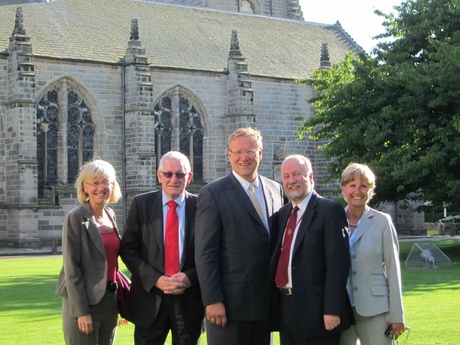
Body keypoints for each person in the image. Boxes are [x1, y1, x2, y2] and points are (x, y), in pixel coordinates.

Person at [194, 127, 285, 345]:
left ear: (260, 153)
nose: (244, 157)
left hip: (266, 305)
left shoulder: (276, 190)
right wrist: (213, 299)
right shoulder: (213, 194)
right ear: (229, 156)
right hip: (229, 307)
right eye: (237, 152)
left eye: (250, 151)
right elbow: (205, 253)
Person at [120, 151, 204, 345]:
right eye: (168, 174)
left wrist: (190, 277)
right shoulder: (141, 204)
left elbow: (212, 252)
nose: (173, 179)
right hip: (149, 300)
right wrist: (156, 279)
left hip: (189, 301)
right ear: (159, 176)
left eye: (180, 174)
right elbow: (129, 250)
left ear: (189, 177)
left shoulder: (202, 206)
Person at [270, 154, 353, 345]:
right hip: (286, 309)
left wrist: (332, 309)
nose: (291, 181)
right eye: (286, 176)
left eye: (297, 174)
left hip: (319, 313)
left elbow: (337, 266)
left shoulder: (329, 211)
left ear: (311, 176)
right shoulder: (282, 215)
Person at [56, 158, 123, 345]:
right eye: (94, 183)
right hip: (84, 304)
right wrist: (81, 312)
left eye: (105, 182)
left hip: (109, 302)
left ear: (112, 186)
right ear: (85, 188)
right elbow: (72, 269)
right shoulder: (76, 217)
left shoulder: (111, 215)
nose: (100, 188)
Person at [339, 163, 405, 345]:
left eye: (363, 186)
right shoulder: (334, 219)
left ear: (371, 190)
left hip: (376, 309)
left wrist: (397, 315)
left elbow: (393, 270)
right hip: (342, 309)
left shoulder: (382, 221)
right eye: (352, 185)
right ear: (343, 189)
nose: (357, 191)